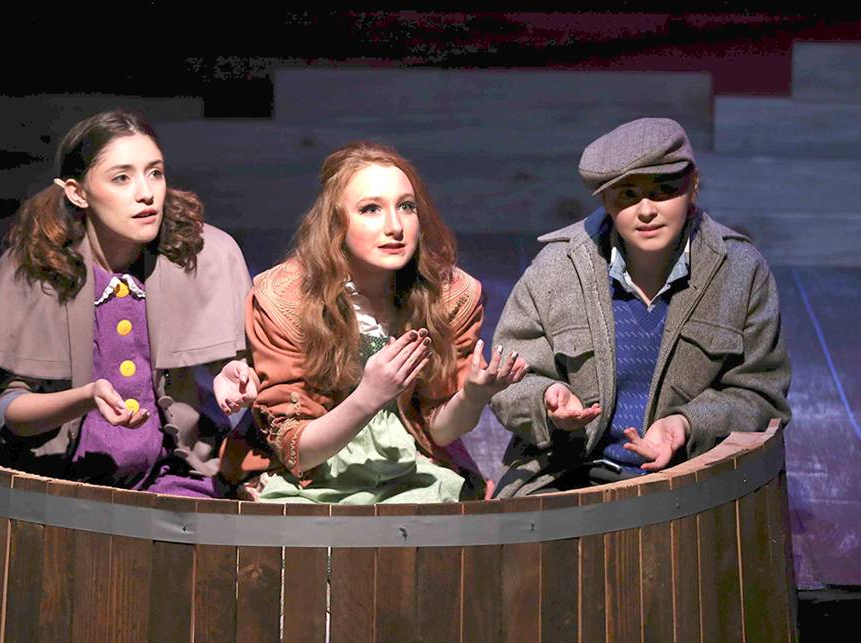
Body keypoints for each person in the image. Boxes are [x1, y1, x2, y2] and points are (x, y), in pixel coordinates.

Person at [491, 118, 791, 496]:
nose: (646, 210)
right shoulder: (557, 269)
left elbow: (762, 395)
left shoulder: (741, 272)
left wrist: (686, 425)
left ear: (693, 185)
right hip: (565, 475)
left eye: (664, 190)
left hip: (691, 482)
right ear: (605, 200)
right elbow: (507, 382)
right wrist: (548, 400)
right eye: (628, 195)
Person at [0, 110, 257, 497]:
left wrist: (230, 375)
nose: (146, 193)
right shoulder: (36, 269)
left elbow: (246, 373)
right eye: (122, 178)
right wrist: (83, 398)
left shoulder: (203, 256)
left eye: (155, 173)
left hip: (170, 473)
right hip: (58, 476)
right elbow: (6, 413)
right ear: (78, 192)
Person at [229, 141, 526, 504]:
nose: (395, 226)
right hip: (310, 475)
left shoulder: (449, 295)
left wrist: (472, 397)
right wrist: (370, 395)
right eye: (371, 209)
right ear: (335, 223)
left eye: (406, 207)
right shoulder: (285, 299)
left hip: (411, 466)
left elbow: (439, 430)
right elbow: (298, 450)